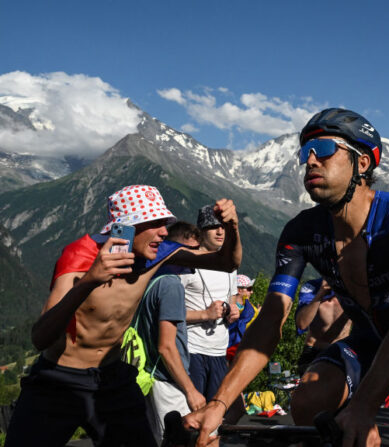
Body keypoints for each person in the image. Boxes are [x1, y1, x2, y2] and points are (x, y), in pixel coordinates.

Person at [184, 108, 389, 447]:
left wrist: (363, 406)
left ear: (363, 163)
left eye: (324, 149)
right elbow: (269, 323)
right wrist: (219, 404)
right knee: (308, 398)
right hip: (369, 341)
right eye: (305, 152)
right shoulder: (302, 232)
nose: (310, 160)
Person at [5, 185, 241, 447]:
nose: (164, 231)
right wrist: (88, 282)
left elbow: (227, 263)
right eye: (154, 223)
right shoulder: (80, 255)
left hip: (111, 378)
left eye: (164, 222)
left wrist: (232, 227)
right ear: (127, 227)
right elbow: (40, 338)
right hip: (59, 380)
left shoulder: (160, 254)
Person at [137, 222, 206, 443]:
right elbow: (166, 346)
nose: (196, 256)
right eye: (192, 250)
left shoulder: (151, 277)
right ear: (174, 249)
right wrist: (190, 390)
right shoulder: (171, 285)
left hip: (149, 375)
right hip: (167, 381)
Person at [181, 205, 240, 401]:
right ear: (201, 231)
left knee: (215, 415)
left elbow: (233, 301)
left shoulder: (230, 267)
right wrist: (204, 315)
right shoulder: (186, 264)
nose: (220, 231)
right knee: (192, 414)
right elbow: (166, 313)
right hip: (192, 350)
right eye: (213, 226)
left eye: (223, 226)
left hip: (219, 351)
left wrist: (234, 312)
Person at [294, 277, 351, 376]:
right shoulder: (312, 287)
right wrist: (321, 293)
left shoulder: (353, 290)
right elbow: (302, 323)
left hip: (340, 352)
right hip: (313, 352)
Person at [226, 274, 259, 362]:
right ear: (239, 290)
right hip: (227, 350)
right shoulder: (226, 308)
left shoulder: (252, 310)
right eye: (249, 289)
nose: (251, 292)